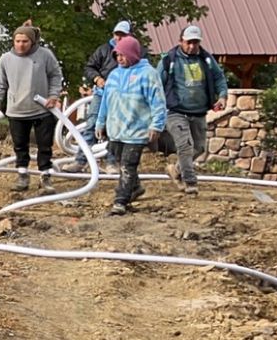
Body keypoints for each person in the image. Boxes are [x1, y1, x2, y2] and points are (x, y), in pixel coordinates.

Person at [93, 35, 167, 215]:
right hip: (116, 130)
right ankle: (135, 188)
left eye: (122, 55)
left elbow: (158, 102)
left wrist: (157, 125)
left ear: (133, 54)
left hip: (137, 130)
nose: (119, 58)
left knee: (128, 165)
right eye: (117, 55)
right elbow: (106, 101)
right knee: (121, 162)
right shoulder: (114, 74)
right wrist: (100, 122)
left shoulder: (148, 74)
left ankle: (120, 201)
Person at [0, 22, 65, 192]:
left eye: (24, 41)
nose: (20, 45)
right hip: (17, 110)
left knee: (44, 146)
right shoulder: (5, 59)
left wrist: (54, 95)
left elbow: (55, 75)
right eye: (17, 41)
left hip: (42, 109)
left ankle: (45, 176)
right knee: (20, 146)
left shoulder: (45, 55)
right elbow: (0, 84)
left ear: (32, 42)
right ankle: (22, 175)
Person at [158, 24, 228, 196]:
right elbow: (156, 83)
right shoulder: (169, 60)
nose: (191, 46)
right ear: (180, 41)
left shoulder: (207, 60)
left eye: (195, 42)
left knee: (199, 148)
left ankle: (175, 170)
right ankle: (190, 182)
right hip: (175, 111)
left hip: (198, 112)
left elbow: (219, 78)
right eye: (188, 42)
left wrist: (222, 96)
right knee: (185, 147)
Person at [85, 20, 132, 91]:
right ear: (113, 34)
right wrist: (97, 79)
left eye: (122, 35)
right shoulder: (103, 50)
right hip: (103, 91)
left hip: (128, 92)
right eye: (116, 34)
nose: (119, 38)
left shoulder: (138, 52)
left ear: (129, 35)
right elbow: (89, 68)